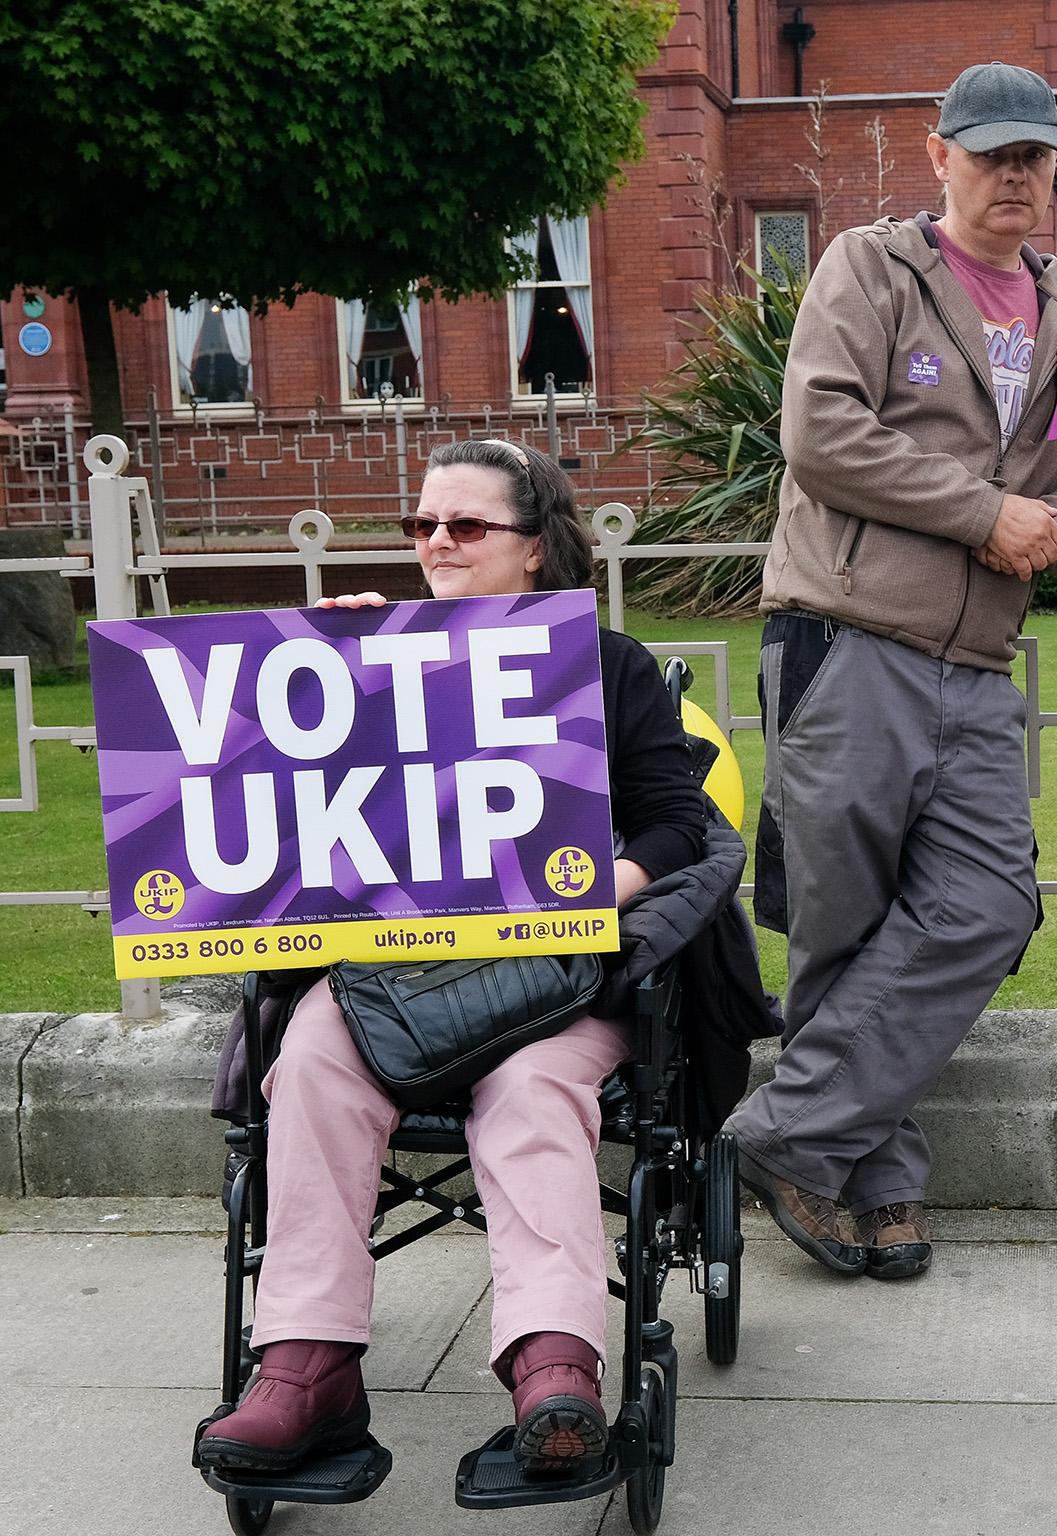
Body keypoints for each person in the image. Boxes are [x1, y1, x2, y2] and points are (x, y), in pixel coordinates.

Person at [196, 439, 715, 1475]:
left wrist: (568, 901)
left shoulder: (605, 667)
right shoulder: (364, 661)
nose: (435, 542)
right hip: (399, 969)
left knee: (528, 1091)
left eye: (465, 525)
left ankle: (554, 1365)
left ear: (534, 551)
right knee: (307, 1068)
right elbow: (262, 816)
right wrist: (312, 673)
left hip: (554, 974)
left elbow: (675, 829)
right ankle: (305, 1365)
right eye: (421, 524)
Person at [727, 60, 1057, 1281]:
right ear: (938, 153)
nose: (1015, 176)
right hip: (846, 638)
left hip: (975, 663)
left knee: (982, 907)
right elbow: (822, 433)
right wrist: (982, 515)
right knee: (840, 926)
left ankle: (782, 1138)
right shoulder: (868, 266)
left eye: (1035, 159)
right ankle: (877, 1187)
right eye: (992, 153)